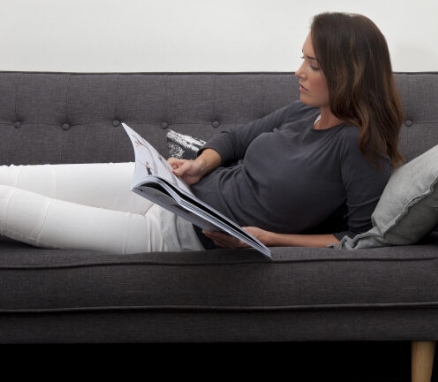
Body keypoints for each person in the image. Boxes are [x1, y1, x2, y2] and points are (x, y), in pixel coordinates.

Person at [0, 12, 405, 254]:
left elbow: (361, 239)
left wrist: (269, 239)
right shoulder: (305, 111)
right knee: (10, 177)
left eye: (313, 65)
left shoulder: (359, 144)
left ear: (348, 74)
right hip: (167, 186)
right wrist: (200, 165)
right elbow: (235, 140)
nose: (298, 72)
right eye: (303, 58)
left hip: (174, 234)